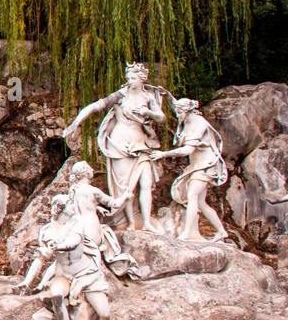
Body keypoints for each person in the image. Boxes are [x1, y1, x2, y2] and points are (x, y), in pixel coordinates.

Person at [62, 61, 167, 232]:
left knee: (146, 183)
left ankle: (147, 221)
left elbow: (161, 118)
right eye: (128, 77)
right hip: (120, 144)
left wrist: (149, 113)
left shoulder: (148, 97)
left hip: (140, 144)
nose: (129, 80)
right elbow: (95, 106)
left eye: (133, 77)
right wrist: (75, 123)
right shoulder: (121, 95)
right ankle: (130, 222)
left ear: (142, 79)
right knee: (125, 187)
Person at [18, 194, 112, 320]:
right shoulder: (47, 231)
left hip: (86, 273)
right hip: (63, 275)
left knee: (105, 315)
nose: (74, 205)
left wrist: (58, 246)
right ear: (60, 209)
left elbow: (73, 242)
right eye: (70, 203)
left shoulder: (77, 224)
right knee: (57, 296)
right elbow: (41, 259)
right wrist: (27, 281)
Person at [150, 97, 228, 242]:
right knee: (200, 202)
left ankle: (189, 232)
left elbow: (187, 150)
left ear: (187, 110)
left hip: (206, 165)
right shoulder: (187, 121)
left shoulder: (199, 123)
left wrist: (163, 154)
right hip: (197, 165)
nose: (177, 114)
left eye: (179, 112)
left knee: (192, 195)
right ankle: (221, 231)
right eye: (177, 111)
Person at [67, 160, 139, 276]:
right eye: (90, 168)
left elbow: (78, 208)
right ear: (86, 173)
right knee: (106, 233)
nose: (92, 170)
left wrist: (97, 208)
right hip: (91, 228)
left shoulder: (74, 190)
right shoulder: (93, 191)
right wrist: (125, 196)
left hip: (78, 229)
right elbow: (114, 204)